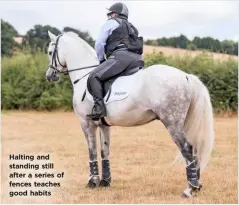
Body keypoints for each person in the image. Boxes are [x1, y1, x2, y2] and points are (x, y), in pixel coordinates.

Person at [87, 2, 143, 121]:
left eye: (109, 14)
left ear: (114, 14)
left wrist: (102, 59)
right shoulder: (133, 27)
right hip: (137, 59)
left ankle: (99, 108)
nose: (108, 16)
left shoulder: (111, 23)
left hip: (120, 57)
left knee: (94, 76)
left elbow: (99, 43)